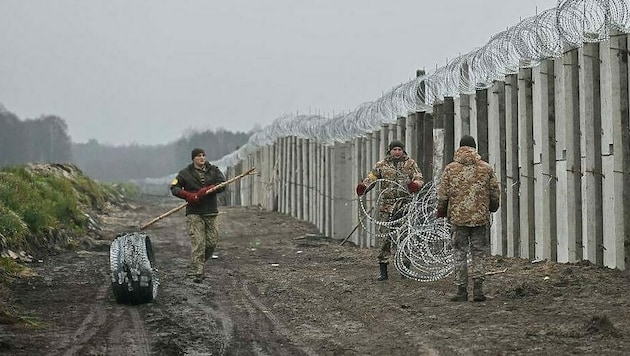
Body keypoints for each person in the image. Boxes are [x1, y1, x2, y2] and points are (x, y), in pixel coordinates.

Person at [436, 135, 500, 302]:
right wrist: (491, 208)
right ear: (474, 147)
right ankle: (478, 289)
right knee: (479, 253)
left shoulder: (450, 169)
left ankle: (461, 290)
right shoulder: (486, 168)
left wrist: (441, 211)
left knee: (459, 253)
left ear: (460, 147)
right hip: (479, 218)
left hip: (458, 219)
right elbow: (494, 192)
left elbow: (443, 194)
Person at [355, 139, 424, 281]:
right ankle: (383, 269)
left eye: (399, 149)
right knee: (385, 238)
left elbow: (418, 177)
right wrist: (364, 187)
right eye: (394, 149)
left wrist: (415, 185)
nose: (397, 152)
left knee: (405, 237)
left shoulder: (410, 164)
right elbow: (372, 178)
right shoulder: (381, 165)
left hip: (404, 206)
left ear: (403, 150)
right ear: (390, 150)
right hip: (386, 207)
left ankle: (405, 269)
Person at [170, 148, 227, 283]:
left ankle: (198, 262)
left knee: (212, 242)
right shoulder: (185, 173)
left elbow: (223, 184)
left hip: (210, 211)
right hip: (194, 212)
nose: (202, 158)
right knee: (198, 242)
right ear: (193, 159)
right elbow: (174, 188)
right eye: (198, 156)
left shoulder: (214, 170)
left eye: (203, 155)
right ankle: (197, 271)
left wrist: (208, 189)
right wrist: (188, 195)